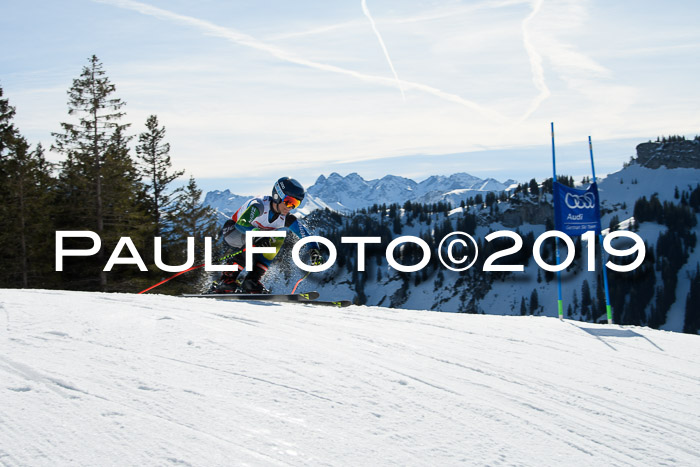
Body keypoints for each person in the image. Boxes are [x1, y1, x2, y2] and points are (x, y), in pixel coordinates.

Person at [208, 177, 323, 294]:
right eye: (289, 201)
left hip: (254, 236)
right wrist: (259, 234)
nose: (290, 207)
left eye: (295, 204)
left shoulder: (286, 218)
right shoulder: (259, 205)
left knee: (277, 239)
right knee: (254, 240)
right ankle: (227, 279)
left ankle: (251, 281)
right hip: (233, 230)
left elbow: (304, 234)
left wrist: (314, 249)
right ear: (278, 196)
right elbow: (241, 225)